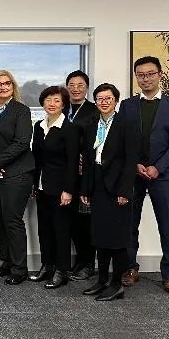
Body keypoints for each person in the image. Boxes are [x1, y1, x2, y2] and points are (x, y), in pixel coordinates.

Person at [120, 56, 169, 294]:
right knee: (129, 223)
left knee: (167, 225)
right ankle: (130, 268)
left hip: (163, 174)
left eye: (150, 74)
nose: (145, 79)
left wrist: (158, 167)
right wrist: (135, 164)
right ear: (136, 77)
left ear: (160, 74)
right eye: (141, 75)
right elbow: (122, 140)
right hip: (134, 173)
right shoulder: (127, 105)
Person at [80, 83, 138, 302]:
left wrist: (125, 190)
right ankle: (102, 280)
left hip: (117, 188)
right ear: (95, 102)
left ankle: (116, 285)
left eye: (108, 98)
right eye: (100, 99)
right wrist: (85, 188)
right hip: (97, 185)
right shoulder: (91, 124)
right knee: (100, 237)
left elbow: (131, 160)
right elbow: (87, 160)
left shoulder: (126, 124)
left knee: (117, 239)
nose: (104, 102)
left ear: (115, 101)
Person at [0, 70, 35, 285]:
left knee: (12, 221)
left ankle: (19, 269)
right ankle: (7, 261)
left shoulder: (21, 110)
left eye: (7, 83)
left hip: (16, 174)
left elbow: (22, 142)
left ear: (13, 87)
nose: (3, 87)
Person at [30, 86, 80, 289]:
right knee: (44, 229)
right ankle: (47, 266)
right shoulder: (39, 126)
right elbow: (36, 158)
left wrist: (68, 190)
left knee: (61, 230)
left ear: (64, 104)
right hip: (42, 186)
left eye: (57, 100)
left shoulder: (69, 128)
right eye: (48, 100)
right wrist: (34, 183)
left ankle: (62, 271)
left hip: (61, 189)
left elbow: (72, 162)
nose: (52, 104)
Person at [64, 70, 100, 281]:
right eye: (71, 85)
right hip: (65, 174)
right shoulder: (62, 108)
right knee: (71, 221)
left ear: (87, 88)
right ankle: (78, 260)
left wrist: (85, 159)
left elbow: (99, 141)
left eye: (80, 85)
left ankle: (88, 263)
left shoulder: (94, 110)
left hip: (85, 174)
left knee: (85, 220)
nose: (75, 89)